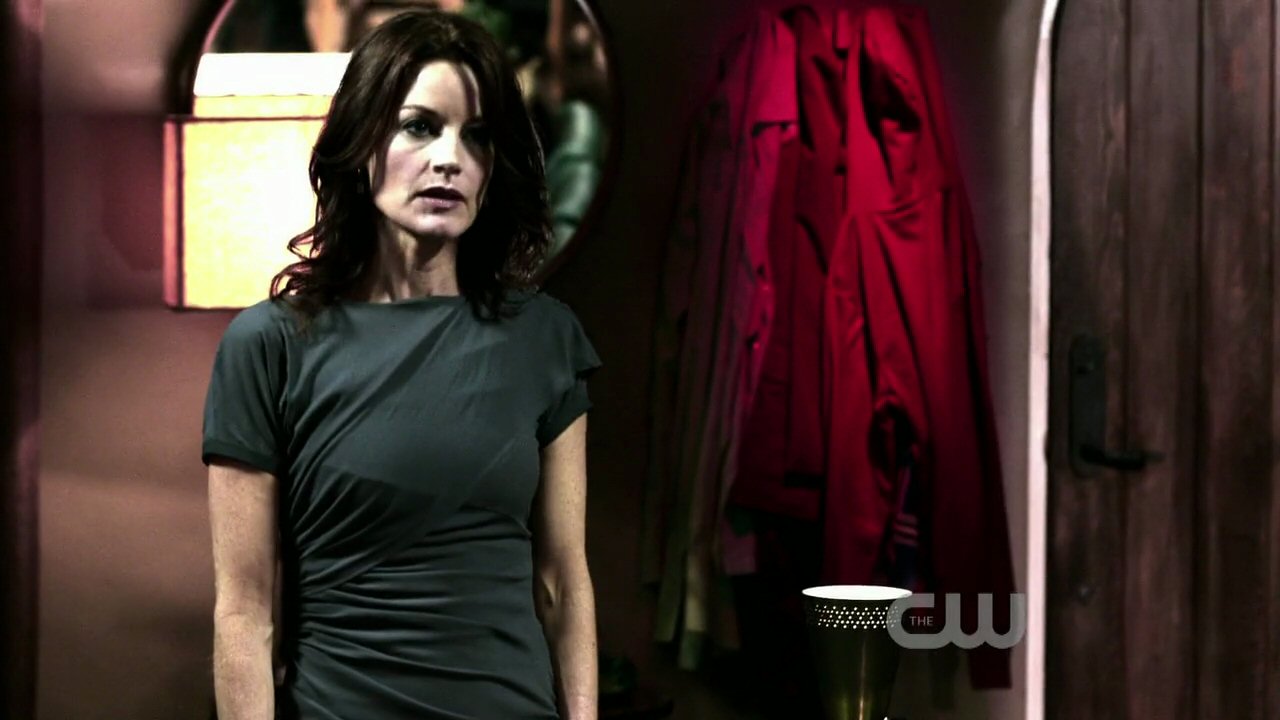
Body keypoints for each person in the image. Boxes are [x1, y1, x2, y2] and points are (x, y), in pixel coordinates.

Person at [202, 10, 600, 720]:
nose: (450, 158)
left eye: (477, 136)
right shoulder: (269, 345)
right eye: (420, 126)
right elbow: (244, 609)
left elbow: (562, 584)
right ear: (362, 144)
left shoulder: (544, 337)